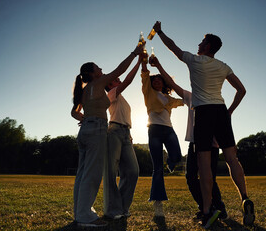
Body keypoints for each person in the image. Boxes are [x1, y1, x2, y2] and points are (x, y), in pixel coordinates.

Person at [152, 21, 254, 228]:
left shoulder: (194, 60)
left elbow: (173, 47)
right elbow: (241, 90)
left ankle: (207, 211)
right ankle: (244, 197)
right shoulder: (224, 66)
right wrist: (230, 111)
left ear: (207, 46)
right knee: (232, 159)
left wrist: (160, 31)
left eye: (202, 42)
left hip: (204, 113)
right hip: (220, 111)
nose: (199, 44)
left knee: (204, 165)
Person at [71, 42, 144, 227]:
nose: (101, 69)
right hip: (96, 130)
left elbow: (73, 112)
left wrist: (85, 118)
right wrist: (135, 53)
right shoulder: (98, 83)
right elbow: (121, 69)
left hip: (87, 129)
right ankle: (84, 216)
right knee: (92, 174)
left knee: (82, 174)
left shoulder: (86, 89)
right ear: (93, 73)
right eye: (98, 68)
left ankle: (80, 212)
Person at [151, 56, 227, 220]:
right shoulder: (191, 96)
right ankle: (205, 207)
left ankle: (219, 209)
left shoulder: (214, 100)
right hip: (194, 142)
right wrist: (158, 64)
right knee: (191, 178)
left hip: (211, 144)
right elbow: (172, 85)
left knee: (210, 178)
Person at [141, 54, 183, 217]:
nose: (157, 81)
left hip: (169, 130)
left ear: (164, 83)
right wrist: (144, 62)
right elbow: (144, 75)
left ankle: (170, 163)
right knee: (157, 168)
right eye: (155, 80)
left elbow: (184, 100)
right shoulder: (148, 92)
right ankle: (158, 203)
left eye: (159, 80)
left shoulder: (169, 98)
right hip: (154, 131)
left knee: (177, 156)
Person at [103, 53, 143, 220]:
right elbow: (128, 80)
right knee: (111, 172)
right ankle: (112, 211)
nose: (118, 80)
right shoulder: (112, 93)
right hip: (114, 132)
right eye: (115, 79)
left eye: (118, 79)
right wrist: (139, 61)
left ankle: (122, 207)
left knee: (133, 171)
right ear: (110, 85)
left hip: (126, 134)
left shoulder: (121, 97)